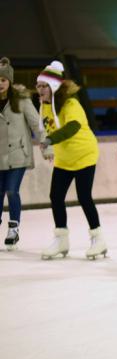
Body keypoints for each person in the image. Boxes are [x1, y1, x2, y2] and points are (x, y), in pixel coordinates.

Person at [36, 60, 107, 260]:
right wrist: (48, 145)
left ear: (54, 87)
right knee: (55, 196)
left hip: (84, 154)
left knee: (84, 196)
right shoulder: (45, 106)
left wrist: (51, 139)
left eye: (44, 86)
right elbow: (47, 129)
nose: (40, 90)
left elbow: (73, 126)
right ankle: (61, 239)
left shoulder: (71, 103)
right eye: (39, 86)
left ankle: (98, 238)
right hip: (64, 158)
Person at [0, 57, 42, 250]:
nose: (0, 84)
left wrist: (46, 145)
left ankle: (13, 229)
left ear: (9, 81)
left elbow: (36, 123)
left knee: (11, 190)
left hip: (18, 155)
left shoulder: (22, 100)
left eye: (3, 80)